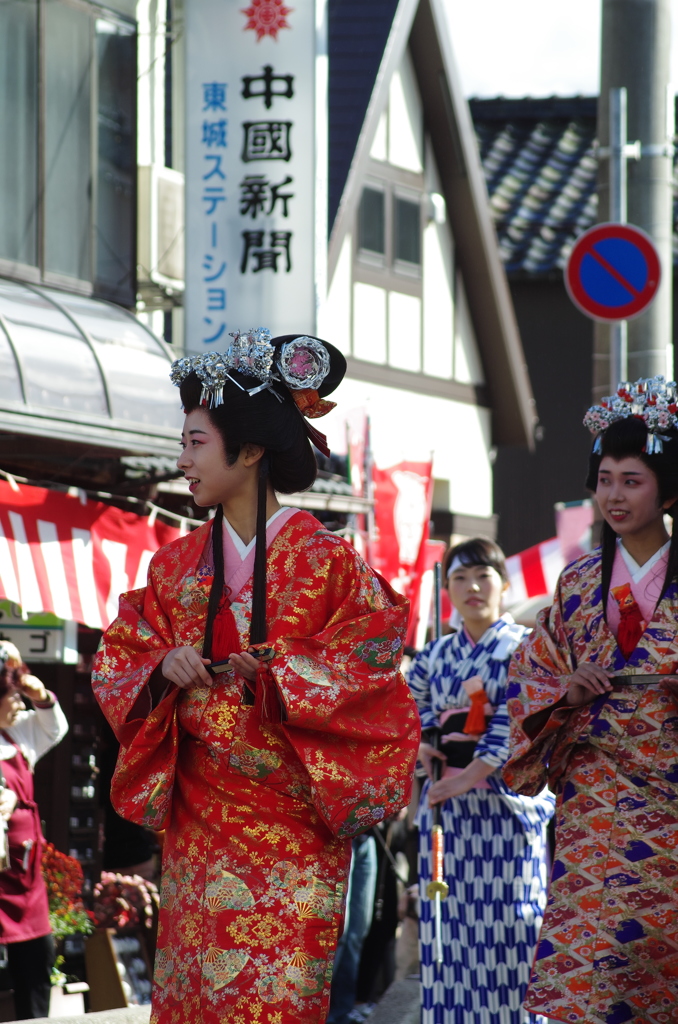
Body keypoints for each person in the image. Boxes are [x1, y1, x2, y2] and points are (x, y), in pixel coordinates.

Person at [92, 330, 420, 1024]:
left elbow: (374, 655)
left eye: (195, 443)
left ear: (249, 451)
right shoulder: (173, 565)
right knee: (193, 993)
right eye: (183, 443)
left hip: (291, 826)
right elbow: (120, 655)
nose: (182, 460)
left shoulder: (330, 561)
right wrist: (161, 669)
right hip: (197, 824)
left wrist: (281, 678)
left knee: (270, 998)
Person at [504, 377, 678, 1024]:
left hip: (670, 791)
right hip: (594, 797)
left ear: (665, 486)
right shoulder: (577, 583)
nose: (613, 494)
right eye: (605, 479)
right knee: (591, 961)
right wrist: (562, 690)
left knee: (662, 959)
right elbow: (533, 669)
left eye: (632, 480)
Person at [408, 538, 554, 1024]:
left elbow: (519, 719)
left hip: (505, 810)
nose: (472, 587)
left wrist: (471, 774)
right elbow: (411, 712)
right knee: (447, 933)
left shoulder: (526, 649)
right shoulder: (433, 656)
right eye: (459, 578)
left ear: (505, 584)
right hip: (448, 817)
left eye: (483, 576)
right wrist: (422, 743)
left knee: (513, 926)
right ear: (447, 588)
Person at [0, 640, 68, 1020]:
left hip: (27, 883)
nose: (19, 703)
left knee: (37, 971)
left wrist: (36, 690)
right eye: (12, 695)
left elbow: (54, 726)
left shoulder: (19, 734)